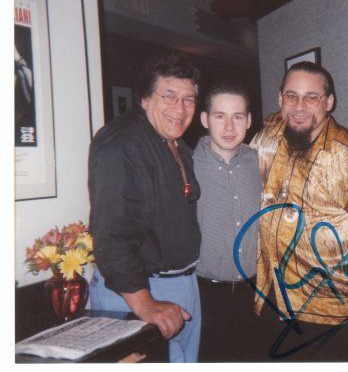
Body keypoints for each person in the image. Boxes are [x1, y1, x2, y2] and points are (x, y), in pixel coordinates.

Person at [249, 61, 348, 361]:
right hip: (272, 297)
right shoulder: (266, 140)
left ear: (329, 102)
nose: (299, 106)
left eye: (311, 97)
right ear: (280, 99)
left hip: (327, 309)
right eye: (291, 96)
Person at [88, 53, 202, 363]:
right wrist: (144, 303)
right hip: (140, 291)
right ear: (145, 99)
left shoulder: (176, 144)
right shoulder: (124, 142)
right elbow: (114, 233)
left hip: (179, 286)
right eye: (169, 96)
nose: (180, 108)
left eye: (188, 99)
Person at [193, 82, 263, 361]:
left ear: (249, 120)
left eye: (238, 117)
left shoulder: (260, 162)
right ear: (205, 119)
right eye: (220, 116)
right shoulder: (186, 165)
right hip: (204, 297)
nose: (229, 127)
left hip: (253, 295)